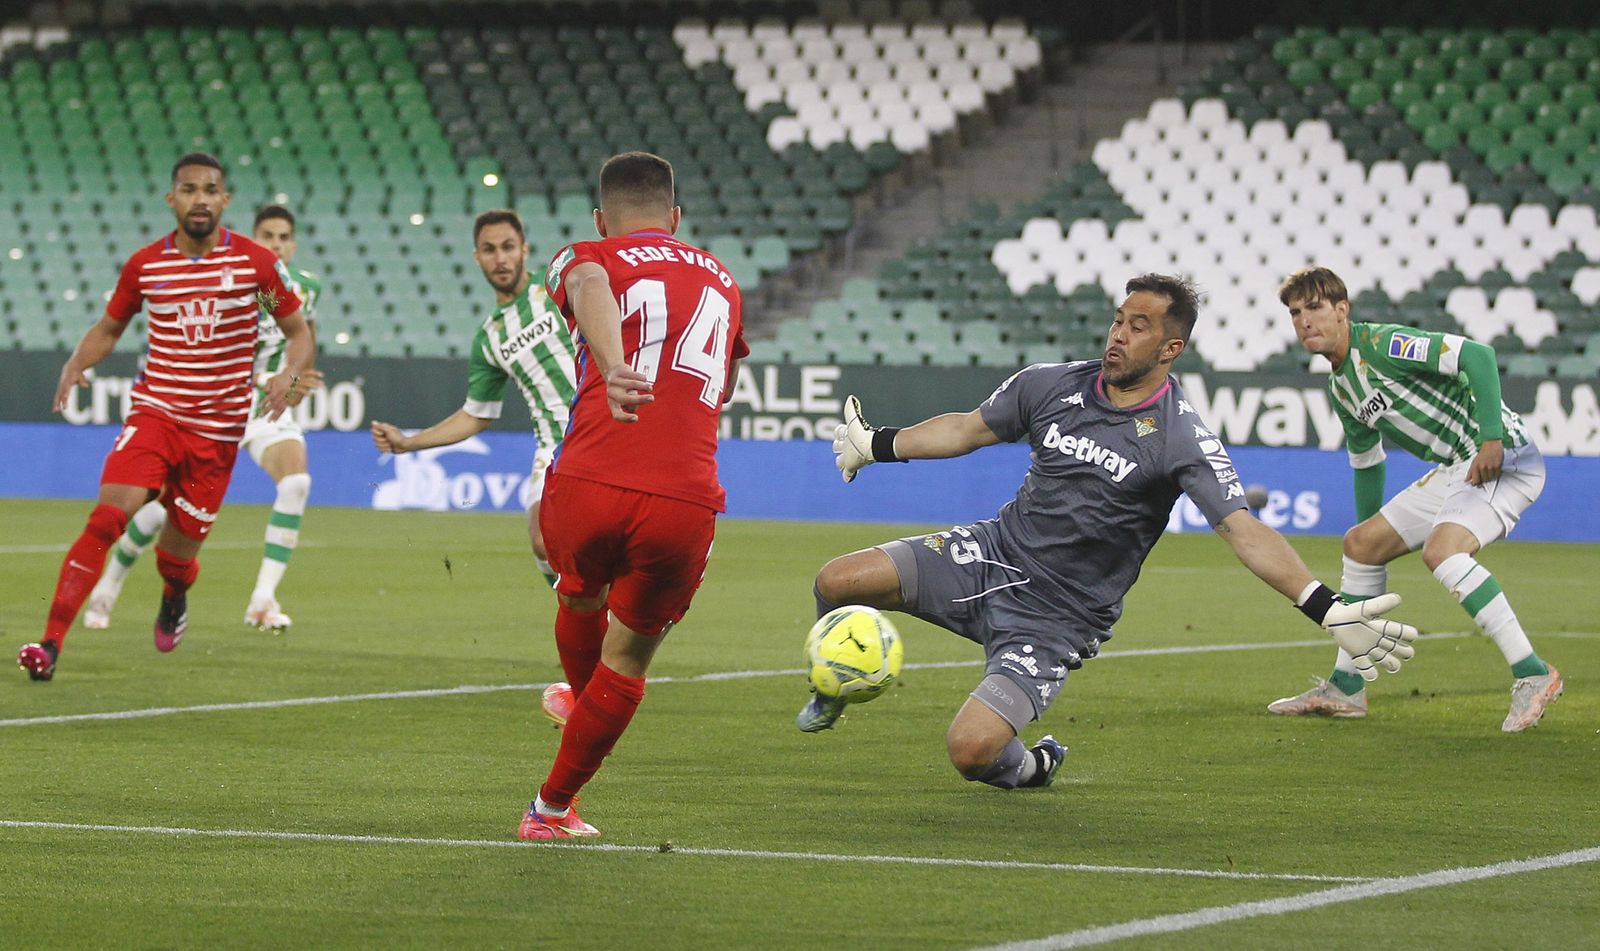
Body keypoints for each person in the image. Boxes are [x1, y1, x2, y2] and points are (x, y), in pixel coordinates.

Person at [802, 274, 1418, 792]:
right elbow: (967, 429)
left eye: (1139, 326)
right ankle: (834, 687)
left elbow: (1243, 529)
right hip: (990, 554)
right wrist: (878, 444)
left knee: (970, 751)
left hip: (1058, 614)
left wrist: (1323, 606)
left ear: (1171, 347)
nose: (1119, 335)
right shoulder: (1051, 384)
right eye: (1119, 320)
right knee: (837, 581)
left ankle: (1033, 766)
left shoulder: (1181, 436)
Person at [516, 151, 748, 839]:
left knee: (577, 595)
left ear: (600, 217)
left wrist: (615, 367)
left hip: (587, 477)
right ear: (676, 217)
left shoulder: (585, 252)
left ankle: (582, 716)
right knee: (630, 658)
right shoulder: (726, 280)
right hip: (682, 495)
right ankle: (551, 806)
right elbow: (722, 386)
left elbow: (587, 277)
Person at [16, 153, 317, 682]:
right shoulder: (145, 265)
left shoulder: (255, 264)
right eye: (188, 189)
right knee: (108, 517)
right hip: (157, 413)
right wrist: (75, 362)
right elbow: (110, 327)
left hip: (219, 431)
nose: (199, 198)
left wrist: (288, 377)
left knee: (175, 559)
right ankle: (51, 643)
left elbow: (297, 332)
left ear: (224, 200)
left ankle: (174, 596)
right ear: (171, 198)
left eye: (209, 189)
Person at [1266, 266, 1561, 732]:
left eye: (1316, 308)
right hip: (1455, 467)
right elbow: (1367, 460)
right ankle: (1347, 687)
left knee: (1442, 551)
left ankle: (1533, 673)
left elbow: (1478, 356)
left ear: (1343, 310)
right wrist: (1374, 534)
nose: (1305, 321)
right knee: (1361, 545)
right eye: (1296, 313)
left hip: (1503, 455)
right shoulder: (1342, 386)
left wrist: (1491, 439)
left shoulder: (1384, 345)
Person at [82, 203, 323, 633]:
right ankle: (109, 585)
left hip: (263, 406)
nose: (277, 245)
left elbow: (302, 343)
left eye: (285, 237)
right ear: (254, 238)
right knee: (159, 512)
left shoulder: (306, 289)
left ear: (295, 243)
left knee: (297, 482)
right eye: (268, 236)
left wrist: (290, 385)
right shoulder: (247, 276)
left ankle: (263, 599)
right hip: (212, 406)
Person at [370, 209, 578, 587]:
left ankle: (608, 631)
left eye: (508, 247)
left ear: (524, 250)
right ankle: (592, 629)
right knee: (543, 541)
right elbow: (476, 415)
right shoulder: (489, 338)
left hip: (601, 429)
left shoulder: (557, 291)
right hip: (553, 445)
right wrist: (409, 442)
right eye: (489, 249)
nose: (500, 258)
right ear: (477, 257)